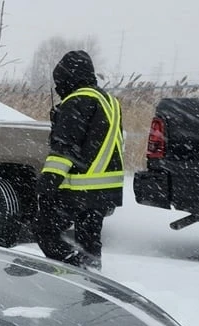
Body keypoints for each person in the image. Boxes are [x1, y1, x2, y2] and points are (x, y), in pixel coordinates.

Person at [34, 50, 123, 270]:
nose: (58, 88)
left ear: (68, 78)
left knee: (44, 229)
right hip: (106, 188)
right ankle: (91, 280)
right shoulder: (109, 101)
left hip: (81, 187)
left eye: (59, 82)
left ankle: (69, 272)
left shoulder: (77, 101)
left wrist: (47, 184)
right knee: (90, 240)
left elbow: (64, 150)